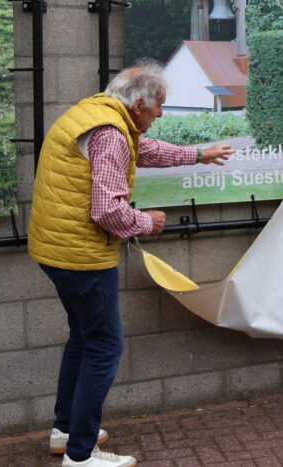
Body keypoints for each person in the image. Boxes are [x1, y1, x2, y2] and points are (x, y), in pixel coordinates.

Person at [28, 62, 235, 466]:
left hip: (56, 251)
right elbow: (107, 211)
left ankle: (66, 430)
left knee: (84, 338)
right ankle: (81, 454)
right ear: (139, 102)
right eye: (158, 106)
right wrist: (149, 222)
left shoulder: (96, 113)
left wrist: (198, 153)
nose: (161, 114)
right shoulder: (111, 133)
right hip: (83, 257)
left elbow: (142, 149)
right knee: (105, 346)